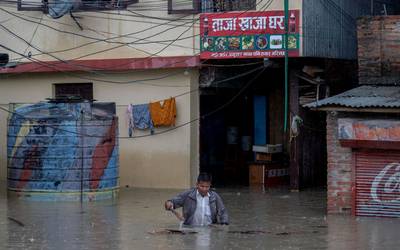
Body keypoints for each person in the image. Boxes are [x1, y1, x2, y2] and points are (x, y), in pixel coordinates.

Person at [164, 173, 229, 226]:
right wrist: (169, 204)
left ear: (210, 185)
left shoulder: (214, 196)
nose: (204, 189)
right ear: (197, 184)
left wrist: (224, 223)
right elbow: (172, 202)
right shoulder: (188, 195)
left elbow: (223, 211)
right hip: (191, 230)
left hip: (209, 230)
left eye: (207, 187)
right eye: (202, 186)